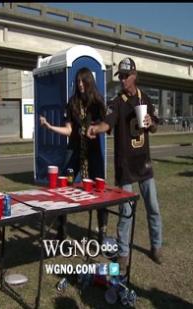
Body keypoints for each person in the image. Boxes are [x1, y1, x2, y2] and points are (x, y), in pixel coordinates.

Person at [87, 57, 163, 272]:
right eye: (119, 76)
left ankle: (156, 246)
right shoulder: (116, 102)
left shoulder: (145, 99)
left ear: (134, 75)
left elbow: (155, 125)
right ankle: (123, 254)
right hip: (125, 166)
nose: (121, 79)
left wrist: (151, 123)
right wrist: (96, 129)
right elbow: (106, 123)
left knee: (153, 208)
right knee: (125, 213)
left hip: (144, 164)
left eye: (125, 76)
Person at [39, 67, 108, 244]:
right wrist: (50, 127)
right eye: (77, 82)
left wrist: (97, 128)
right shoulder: (72, 103)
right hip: (75, 151)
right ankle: (61, 230)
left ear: (89, 82)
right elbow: (69, 130)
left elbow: (106, 124)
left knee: (100, 190)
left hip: (93, 153)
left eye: (83, 81)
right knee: (64, 186)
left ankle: (102, 232)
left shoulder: (97, 102)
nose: (80, 85)